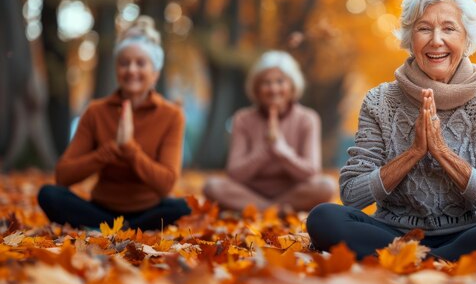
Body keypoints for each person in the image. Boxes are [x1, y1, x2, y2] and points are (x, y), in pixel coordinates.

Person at [306, 0, 476, 264]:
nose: (436, 40)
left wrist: (442, 152)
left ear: (467, 39)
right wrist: (414, 152)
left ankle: (422, 260)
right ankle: (439, 260)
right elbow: (351, 194)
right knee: (323, 217)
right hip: (393, 235)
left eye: (449, 28)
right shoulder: (379, 100)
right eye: (424, 28)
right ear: (410, 39)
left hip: (469, 233)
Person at [38, 16, 191, 230]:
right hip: (101, 209)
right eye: (124, 63)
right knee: (49, 194)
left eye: (141, 63)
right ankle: (124, 228)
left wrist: (129, 149)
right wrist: (109, 151)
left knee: (183, 208)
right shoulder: (96, 111)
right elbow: (63, 175)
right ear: (117, 69)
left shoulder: (171, 115)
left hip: (149, 210)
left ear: (155, 73)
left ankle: (116, 228)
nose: (131, 70)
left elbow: (166, 184)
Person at [203, 50, 336, 212]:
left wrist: (282, 151)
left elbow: (311, 172)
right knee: (212, 186)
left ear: (292, 86)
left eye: (280, 82)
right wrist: (263, 150)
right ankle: (274, 211)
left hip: (293, 192)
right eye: (266, 83)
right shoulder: (242, 119)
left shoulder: (308, 118)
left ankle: (263, 210)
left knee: (326, 186)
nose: (273, 89)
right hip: (249, 192)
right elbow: (234, 174)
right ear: (257, 89)